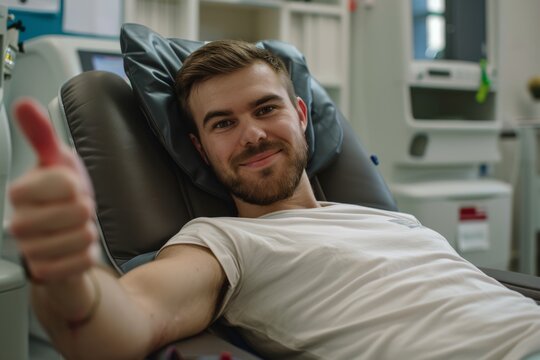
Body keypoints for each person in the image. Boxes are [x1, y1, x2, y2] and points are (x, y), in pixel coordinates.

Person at [8, 39, 540, 360]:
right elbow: (127, 319)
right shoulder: (222, 244)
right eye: (223, 124)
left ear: (302, 115)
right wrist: (67, 281)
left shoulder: (395, 221)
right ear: (200, 147)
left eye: (266, 109)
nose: (253, 136)